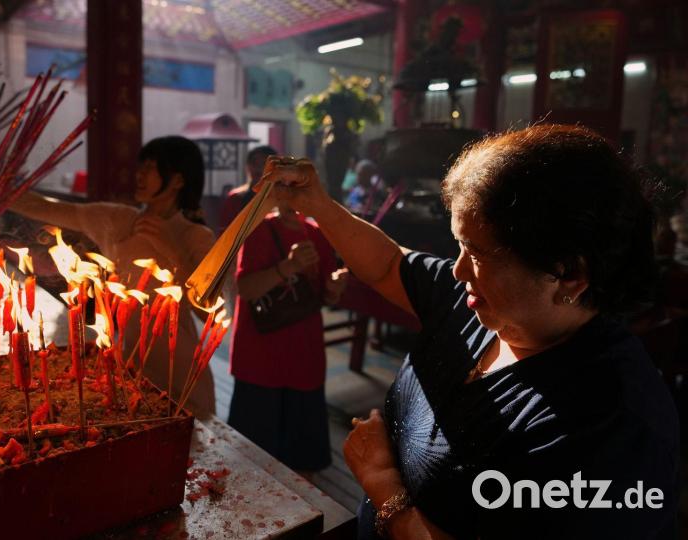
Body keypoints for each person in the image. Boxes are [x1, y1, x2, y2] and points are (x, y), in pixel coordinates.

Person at [260, 125, 679, 539]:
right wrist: (317, 204)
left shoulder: (615, 429)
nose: (458, 271)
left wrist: (382, 482)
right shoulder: (481, 304)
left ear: (569, 273)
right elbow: (389, 265)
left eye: (477, 253)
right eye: (459, 246)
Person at [10, 136, 217, 415]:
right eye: (141, 166)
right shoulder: (120, 219)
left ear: (178, 180)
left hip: (181, 373)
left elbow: (211, 313)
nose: (140, 174)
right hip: (132, 367)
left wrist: (175, 252)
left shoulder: (196, 236)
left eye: (151, 167)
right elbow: (46, 208)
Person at [227, 202, 348, 471]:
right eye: (283, 187)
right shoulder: (258, 229)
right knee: (250, 462)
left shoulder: (317, 233)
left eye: (298, 188)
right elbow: (246, 289)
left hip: (304, 357)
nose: (291, 197)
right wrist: (289, 266)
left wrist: (334, 288)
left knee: (302, 466)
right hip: (260, 359)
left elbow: (324, 296)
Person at [218, 145, 277, 232]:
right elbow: (225, 232)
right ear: (248, 166)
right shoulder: (235, 198)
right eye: (254, 163)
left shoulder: (284, 198)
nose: (259, 168)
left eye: (264, 164)